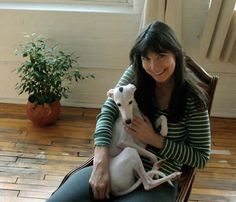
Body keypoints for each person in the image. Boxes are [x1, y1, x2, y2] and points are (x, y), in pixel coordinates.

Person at [47, 21, 211, 202]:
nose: (154, 67)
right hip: (115, 163)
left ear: (176, 54)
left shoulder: (193, 99)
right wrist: (100, 161)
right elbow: (108, 110)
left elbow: (201, 157)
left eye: (161, 56)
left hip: (156, 179)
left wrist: (155, 140)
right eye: (146, 58)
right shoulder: (137, 72)